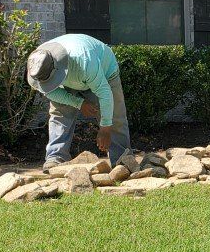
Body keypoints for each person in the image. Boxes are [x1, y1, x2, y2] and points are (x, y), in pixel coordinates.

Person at [26, 34, 131, 168]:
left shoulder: (84, 61)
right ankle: (55, 157)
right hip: (71, 78)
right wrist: (79, 103)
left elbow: (105, 94)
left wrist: (105, 128)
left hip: (104, 72)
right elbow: (50, 92)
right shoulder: (37, 67)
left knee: (115, 116)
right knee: (59, 114)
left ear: (57, 69)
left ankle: (123, 162)